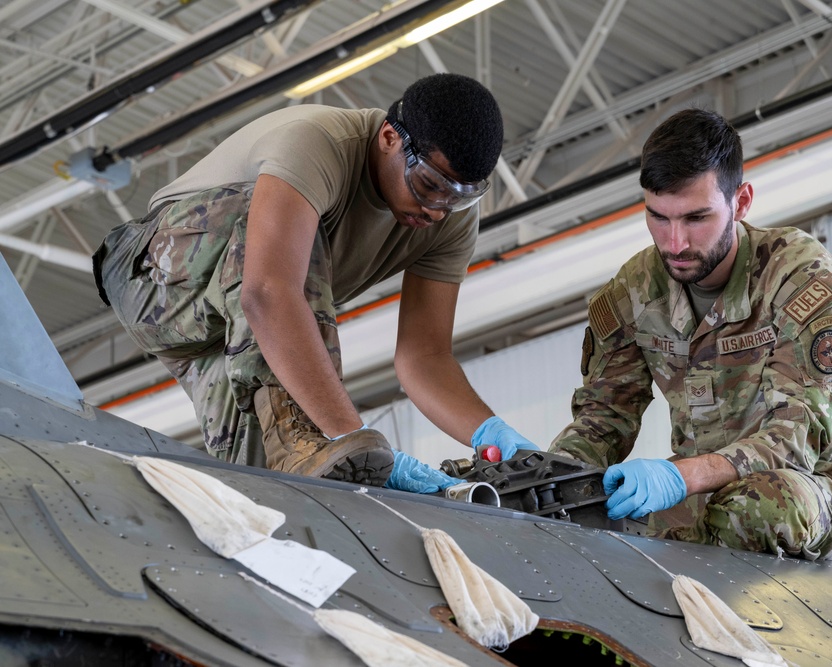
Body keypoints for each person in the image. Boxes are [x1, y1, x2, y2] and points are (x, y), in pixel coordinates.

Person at [93, 73, 538, 493]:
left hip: (234, 329)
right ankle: (302, 429)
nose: (438, 210)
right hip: (154, 277)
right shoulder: (318, 143)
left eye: (460, 197)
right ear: (389, 139)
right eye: (428, 185)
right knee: (280, 229)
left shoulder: (447, 220)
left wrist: (490, 433)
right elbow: (267, 291)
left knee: (278, 490)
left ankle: (291, 453)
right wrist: (352, 434)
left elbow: (425, 357)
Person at [549, 108, 832, 562]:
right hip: (691, 507)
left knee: (757, 509)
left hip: (805, 496)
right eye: (658, 217)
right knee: (571, 518)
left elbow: (795, 437)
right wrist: (546, 483)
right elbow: (602, 420)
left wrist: (679, 477)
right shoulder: (635, 290)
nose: (674, 243)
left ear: (740, 202)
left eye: (696, 218)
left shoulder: (793, 271)